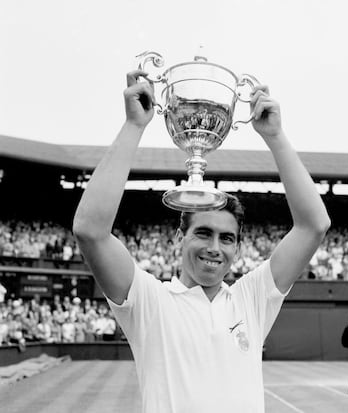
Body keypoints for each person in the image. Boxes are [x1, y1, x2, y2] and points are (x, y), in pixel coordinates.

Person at [72, 69, 331, 413]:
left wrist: (275, 136)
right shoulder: (151, 301)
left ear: (238, 249)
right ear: (180, 236)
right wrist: (134, 125)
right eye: (203, 233)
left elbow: (314, 225)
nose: (214, 248)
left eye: (227, 238)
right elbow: (90, 230)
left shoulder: (250, 298)